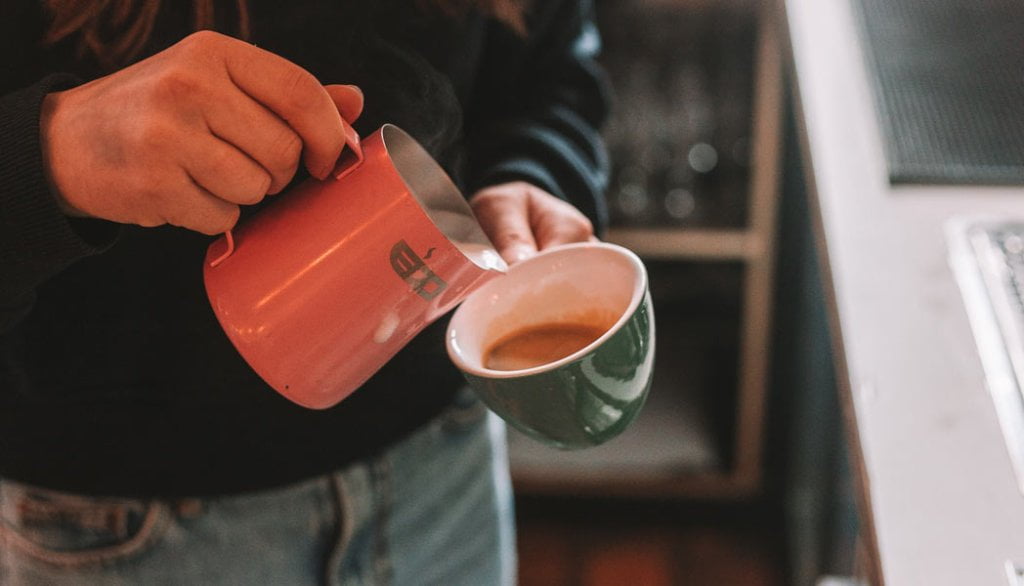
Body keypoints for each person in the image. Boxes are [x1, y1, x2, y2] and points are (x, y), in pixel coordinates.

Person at [0, 0, 610, 583]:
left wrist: (531, 173)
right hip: (114, 529)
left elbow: (547, 67)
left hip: (442, 475)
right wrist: (50, 151)